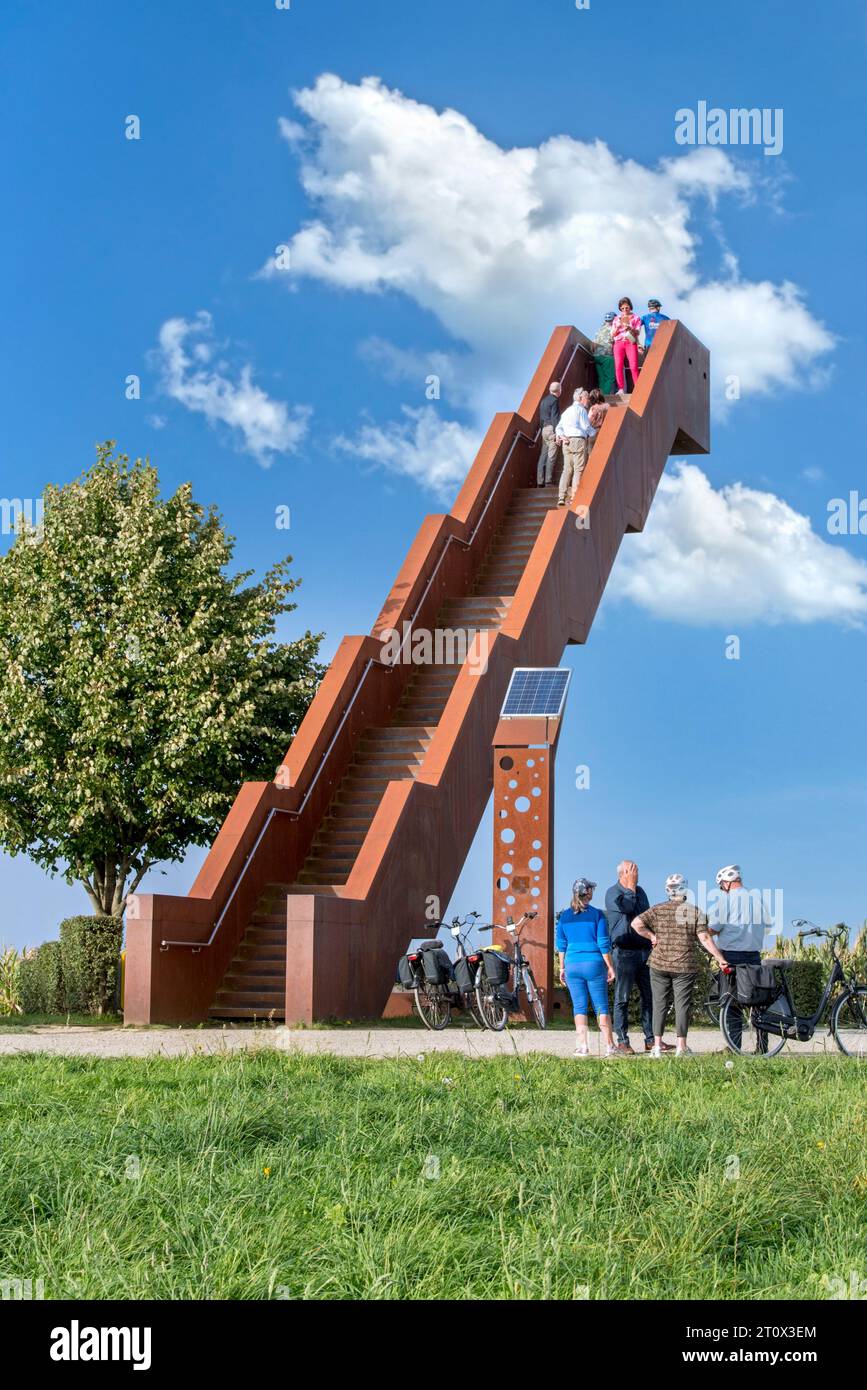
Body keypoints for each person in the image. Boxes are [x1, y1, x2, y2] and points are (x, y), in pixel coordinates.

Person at [632, 873, 732, 1057]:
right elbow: (704, 938)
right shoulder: (695, 912)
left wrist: (652, 937)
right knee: (682, 1005)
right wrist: (719, 957)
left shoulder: (657, 909)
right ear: (685, 889)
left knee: (659, 1004)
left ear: (667, 890)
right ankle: (681, 1047)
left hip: (659, 964)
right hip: (684, 966)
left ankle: (656, 1046)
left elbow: (636, 923)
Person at [605, 860, 671, 1054]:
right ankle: (623, 1041)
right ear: (622, 874)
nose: (636, 874)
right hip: (624, 952)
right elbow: (626, 908)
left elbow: (646, 917)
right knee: (622, 998)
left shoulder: (641, 892)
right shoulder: (612, 892)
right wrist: (631, 886)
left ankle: (651, 1039)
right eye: (631, 871)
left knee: (650, 996)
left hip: (644, 952)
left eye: (636, 871)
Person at [708, 864, 776, 1051]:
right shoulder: (758, 899)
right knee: (757, 1001)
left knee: (731, 1003)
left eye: (721, 886)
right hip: (753, 955)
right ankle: (762, 1047)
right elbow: (768, 925)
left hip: (731, 956)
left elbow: (713, 928)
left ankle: (734, 1046)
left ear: (726, 883)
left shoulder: (725, 901)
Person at [556, 878, 617, 1057]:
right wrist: (610, 967)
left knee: (579, 1007)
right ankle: (609, 1046)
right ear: (588, 893)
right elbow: (603, 943)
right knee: (601, 1006)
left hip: (572, 964)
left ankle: (582, 1047)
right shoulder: (597, 915)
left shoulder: (564, 917)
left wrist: (562, 968)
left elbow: (561, 944)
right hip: (594, 964)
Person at [555, 388, 596, 507]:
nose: (588, 400)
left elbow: (558, 427)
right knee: (578, 469)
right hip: (578, 439)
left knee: (567, 469)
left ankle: (561, 497)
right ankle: (574, 496)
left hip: (566, 441)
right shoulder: (581, 410)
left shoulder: (567, 411)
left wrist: (561, 436)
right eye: (586, 397)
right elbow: (586, 427)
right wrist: (595, 433)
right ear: (580, 398)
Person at [611, 297, 642, 396]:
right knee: (618, 366)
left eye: (626, 308)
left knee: (633, 366)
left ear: (630, 307)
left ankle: (638, 388)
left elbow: (638, 332)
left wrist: (630, 328)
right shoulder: (616, 319)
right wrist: (618, 326)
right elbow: (612, 334)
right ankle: (621, 389)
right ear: (620, 308)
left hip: (630, 342)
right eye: (622, 308)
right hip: (618, 343)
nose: (624, 310)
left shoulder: (636, 318)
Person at [536, 380, 562, 488]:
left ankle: (540, 482)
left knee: (543, 456)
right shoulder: (554, 401)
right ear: (559, 390)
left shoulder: (543, 401)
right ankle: (548, 481)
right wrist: (557, 433)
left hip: (544, 429)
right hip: (551, 429)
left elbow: (541, 418)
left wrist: (543, 430)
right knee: (551, 455)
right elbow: (555, 418)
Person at [592, 311, 617, 396]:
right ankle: (606, 396)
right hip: (607, 356)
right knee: (610, 378)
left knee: (601, 378)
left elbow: (594, 344)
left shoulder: (600, 329)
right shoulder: (613, 329)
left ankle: (600, 396)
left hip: (596, 356)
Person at [586, 388, 609, 457]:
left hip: (594, 431)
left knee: (591, 453)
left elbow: (589, 421)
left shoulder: (593, 408)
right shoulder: (608, 406)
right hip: (605, 431)